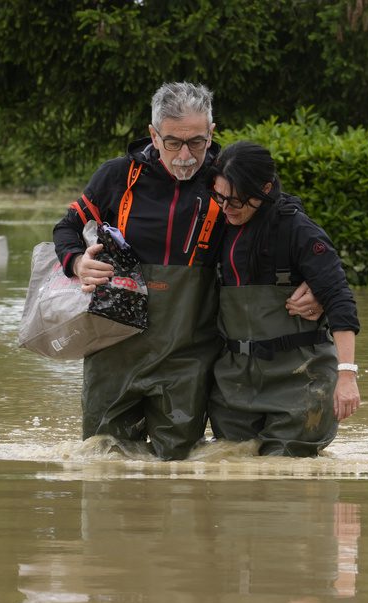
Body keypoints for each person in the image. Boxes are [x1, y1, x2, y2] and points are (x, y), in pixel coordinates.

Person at [52, 83, 320, 460]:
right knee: (101, 461)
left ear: (212, 133)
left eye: (197, 142)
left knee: (176, 467)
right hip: (112, 351)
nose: (185, 156)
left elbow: (291, 224)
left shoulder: (229, 178)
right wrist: (77, 262)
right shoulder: (116, 177)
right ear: (153, 135)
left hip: (189, 355)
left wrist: (315, 283)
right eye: (173, 143)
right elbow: (66, 228)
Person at [205, 141, 361, 456]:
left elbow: (340, 299)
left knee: (287, 480)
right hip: (234, 384)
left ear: (265, 188)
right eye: (219, 197)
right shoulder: (216, 226)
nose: (226, 208)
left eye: (236, 200)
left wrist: (347, 376)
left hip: (299, 382)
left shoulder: (298, 230)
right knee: (233, 473)